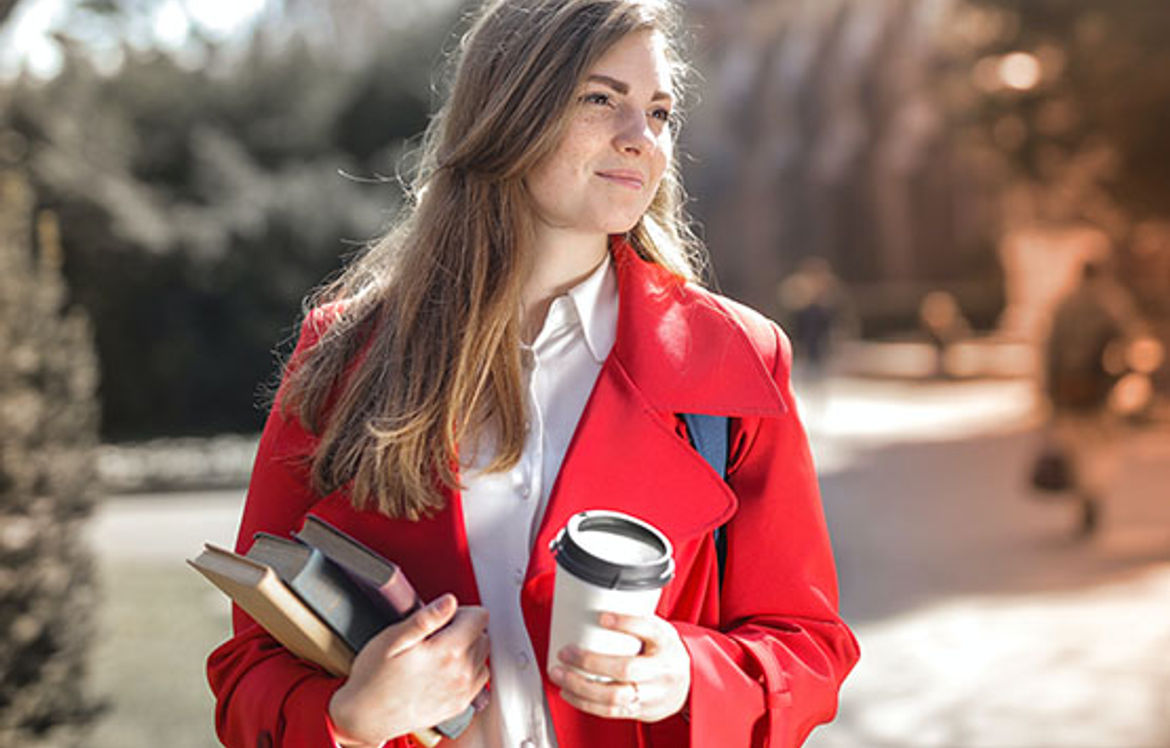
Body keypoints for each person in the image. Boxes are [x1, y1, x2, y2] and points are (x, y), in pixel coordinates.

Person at [206, 1, 859, 746]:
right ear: (508, 113)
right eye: (600, 99)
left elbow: (810, 645)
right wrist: (350, 719)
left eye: (659, 111)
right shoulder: (344, 352)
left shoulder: (735, 359)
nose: (641, 138)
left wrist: (689, 671)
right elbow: (247, 663)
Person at [1040, 259, 1140, 537]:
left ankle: (1085, 496)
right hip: (1099, 391)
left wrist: (1049, 391)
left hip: (1068, 390)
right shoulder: (1112, 304)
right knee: (1098, 447)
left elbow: (1051, 351)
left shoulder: (1065, 305)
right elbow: (1129, 344)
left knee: (1076, 447)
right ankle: (1092, 494)